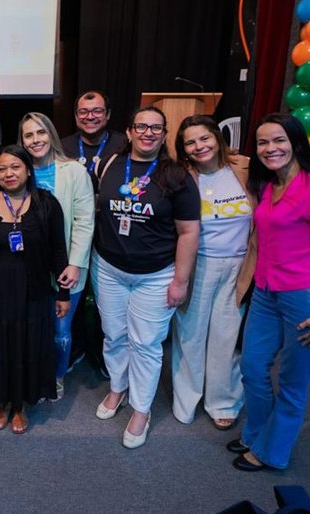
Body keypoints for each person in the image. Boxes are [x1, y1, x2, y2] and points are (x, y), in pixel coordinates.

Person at [229, 113, 310, 472]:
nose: (271, 149)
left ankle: (271, 451)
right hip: (267, 294)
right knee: (252, 369)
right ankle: (256, 434)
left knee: (292, 381)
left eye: (279, 140)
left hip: (307, 298)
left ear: (296, 142)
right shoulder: (269, 186)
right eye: (263, 142)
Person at [91, 106, 199, 449]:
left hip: (155, 275)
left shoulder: (177, 176)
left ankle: (141, 409)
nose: (148, 133)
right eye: (142, 126)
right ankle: (118, 388)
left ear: (164, 134)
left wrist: (181, 281)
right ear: (130, 130)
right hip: (108, 268)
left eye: (156, 128)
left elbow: (188, 233)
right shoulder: (108, 165)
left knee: (146, 344)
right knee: (113, 335)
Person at [0, 145, 70, 434]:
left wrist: (63, 293)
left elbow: (59, 251)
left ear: (28, 170)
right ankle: (2, 401)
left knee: (26, 346)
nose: (9, 173)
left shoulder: (46, 204)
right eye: (3, 168)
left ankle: (20, 405)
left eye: (15, 167)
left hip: (33, 293)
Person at [170, 115, 252, 429]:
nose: (199, 146)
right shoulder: (181, 177)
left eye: (204, 138)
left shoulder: (243, 168)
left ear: (217, 138)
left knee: (226, 336)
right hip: (197, 264)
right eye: (190, 142)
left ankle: (223, 401)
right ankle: (186, 401)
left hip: (238, 265)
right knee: (189, 335)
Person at [19, 112, 95, 399]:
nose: (35, 140)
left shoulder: (74, 171)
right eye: (28, 135)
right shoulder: (21, 171)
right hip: (28, 269)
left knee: (60, 330)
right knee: (32, 327)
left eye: (40, 133)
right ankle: (33, 374)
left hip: (66, 268)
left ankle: (57, 375)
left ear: (51, 134)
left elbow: (85, 222)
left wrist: (75, 264)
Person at [61, 90, 127, 185]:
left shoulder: (124, 145)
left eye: (97, 111)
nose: (90, 117)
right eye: (83, 112)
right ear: (76, 116)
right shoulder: (62, 147)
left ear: (108, 114)